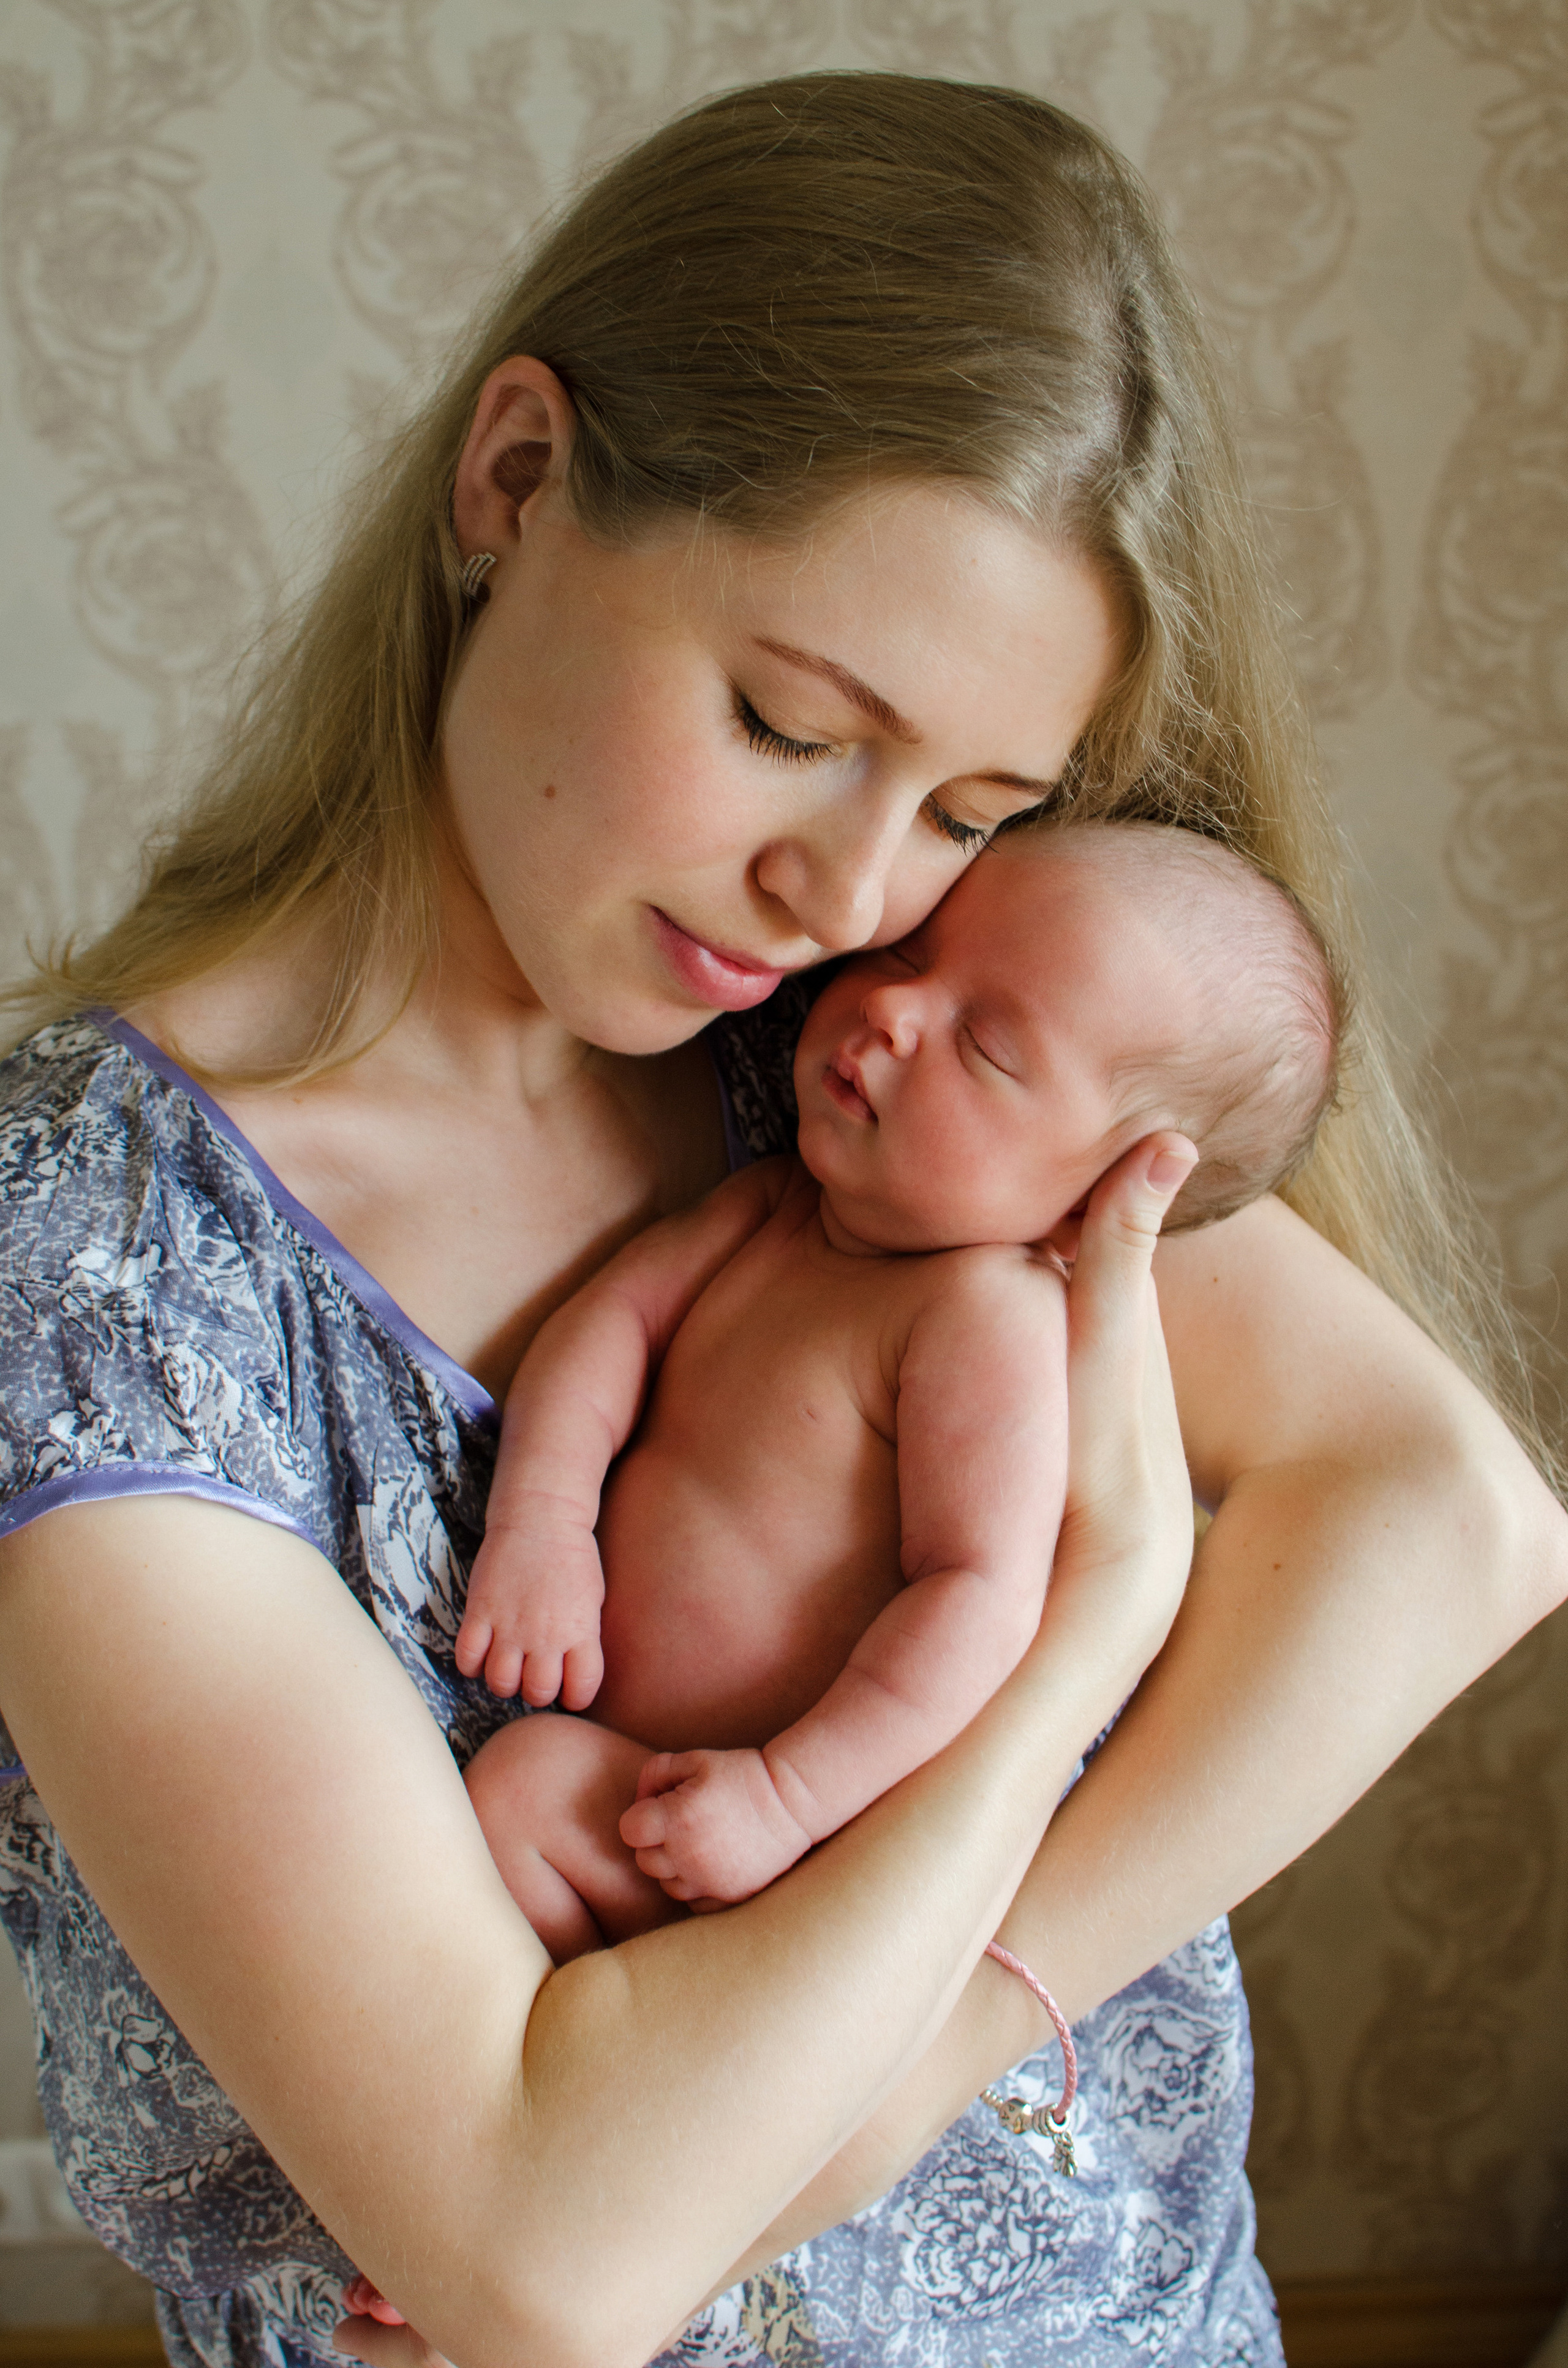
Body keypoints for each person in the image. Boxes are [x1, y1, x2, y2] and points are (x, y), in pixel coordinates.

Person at [0, 70, 1561, 2368]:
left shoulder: (888, 1036)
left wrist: (917, 2048)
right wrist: (1086, 1631)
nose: (845, 889)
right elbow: (547, 2262)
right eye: (784, 719)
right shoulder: (92, 1267)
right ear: (516, 484)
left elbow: (1454, 1516)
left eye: (969, 804)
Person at [454, 820, 1340, 1959]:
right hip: (644, 1776)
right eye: (912, 957)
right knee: (523, 1799)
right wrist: (542, 1526)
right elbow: (608, 1326)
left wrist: (787, 1795)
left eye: (988, 1049)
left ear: (1089, 1203)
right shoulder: (779, 1206)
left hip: (800, 1845)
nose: (895, 1011)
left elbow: (976, 1596)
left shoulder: (983, 1320)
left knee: (524, 1793)